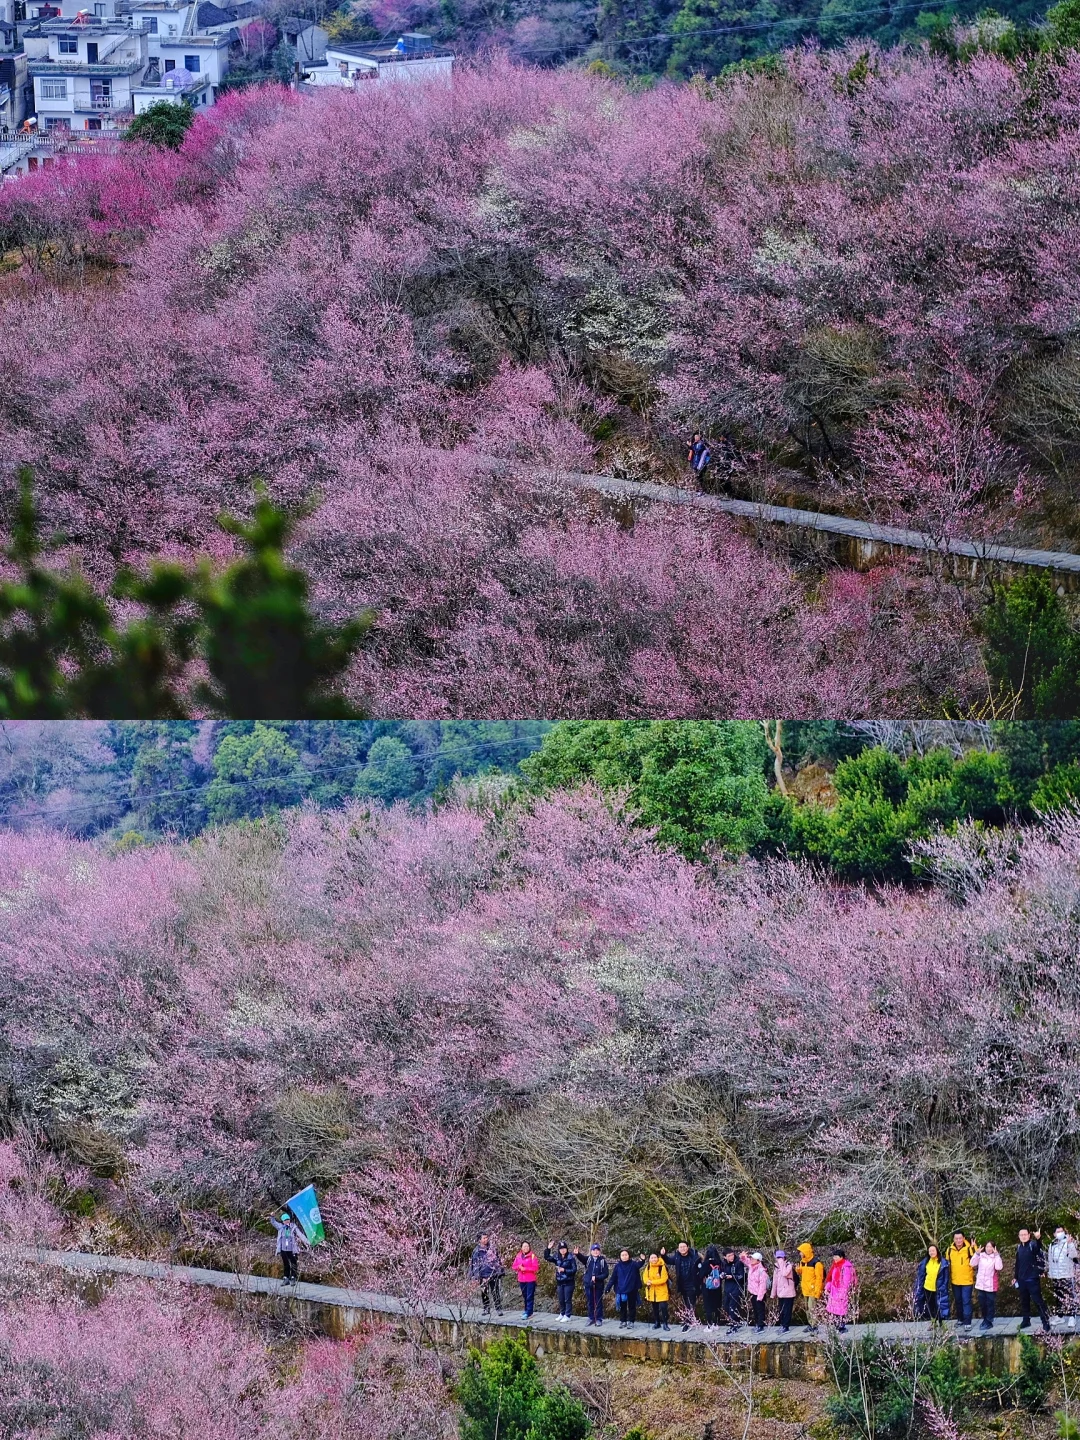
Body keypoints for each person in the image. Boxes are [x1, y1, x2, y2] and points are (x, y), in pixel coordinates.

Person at [1014, 1228, 1051, 1333]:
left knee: (1038, 1301)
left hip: (1032, 1279)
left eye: (1025, 1234)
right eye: (1021, 1235)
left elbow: (1039, 1250)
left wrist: (1039, 1239)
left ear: (1029, 1235)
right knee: (1024, 1301)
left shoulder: (1033, 1245)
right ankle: (1026, 1320)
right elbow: (1017, 1264)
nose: (1023, 1236)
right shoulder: (1019, 1247)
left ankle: (1045, 1322)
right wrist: (1015, 1277)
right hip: (1022, 1279)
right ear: (1019, 1236)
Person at [1047, 1226, 1079, 1327]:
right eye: (1058, 1231)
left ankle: (1072, 1317)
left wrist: (1070, 1244)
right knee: (1058, 1297)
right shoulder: (1052, 1244)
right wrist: (1050, 1273)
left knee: (1069, 1296)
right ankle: (1060, 1316)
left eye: (1062, 1231)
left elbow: (1074, 1255)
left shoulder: (1068, 1242)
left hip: (1067, 1274)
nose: (1060, 1233)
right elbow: (1050, 1260)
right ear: (1054, 1234)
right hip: (1056, 1275)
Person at [913, 1245, 950, 1325]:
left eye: (933, 1250)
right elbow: (921, 1275)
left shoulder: (943, 1262)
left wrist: (943, 1287)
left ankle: (941, 1323)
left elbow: (946, 1277)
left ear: (937, 1251)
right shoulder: (925, 1262)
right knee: (930, 1306)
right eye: (930, 1251)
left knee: (939, 1306)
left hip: (938, 1288)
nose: (932, 1252)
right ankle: (933, 1322)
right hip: (927, 1288)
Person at [270, 1210, 308, 1287]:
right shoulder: (281, 1227)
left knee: (293, 1263)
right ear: (283, 1221)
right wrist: (272, 1216)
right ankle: (286, 1278)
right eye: (285, 1220)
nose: (287, 1221)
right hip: (283, 1249)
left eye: (288, 1219)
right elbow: (273, 1222)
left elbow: (300, 1235)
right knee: (286, 1264)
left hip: (292, 1249)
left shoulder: (293, 1227)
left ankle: (293, 1277)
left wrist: (307, 1242)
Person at [469, 1233, 504, 1316]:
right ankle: (486, 1308)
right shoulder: (476, 1251)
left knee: (495, 1292)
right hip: (483, 1276)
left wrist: (499, 1271)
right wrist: (477, 1276)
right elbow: (475, 1264)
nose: (486, 1239)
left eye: (486, 1237)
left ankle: (498, 1308)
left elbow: (498, 1261)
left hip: (492, 1274)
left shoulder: (492, 1249)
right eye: (484, 1238)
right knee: (484, 1292)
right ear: (479, 1240)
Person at [947, 1233, 976, 1330]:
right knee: (958, 1301)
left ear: (964, 1238)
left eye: (960, 1238)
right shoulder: (950, 1250)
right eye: (956, 1238)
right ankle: (960, 1319)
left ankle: (967, 1322)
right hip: (955, 1280)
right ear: (953, 1239)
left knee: (966, 1301)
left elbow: (977, 1259)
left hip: (967, 1281)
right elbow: (947, 1263)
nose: (958, 1240)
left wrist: (974, 1247)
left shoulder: (969, 1248)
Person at [544, 1240, 579, 1321]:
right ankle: (562, 1313)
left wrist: (565, 1270)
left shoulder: (571, 1257)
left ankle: (567, 1315)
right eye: (561, 1249)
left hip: (569, 1282)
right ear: (559, 1250)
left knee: (567, 1299)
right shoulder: (557, 1257)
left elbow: (574, 1270)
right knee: (561, 1299)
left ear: (567, 1249)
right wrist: (548, 1249)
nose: (563, 1250)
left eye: (564, 1248)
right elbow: (547, 1257)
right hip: (560, 1282)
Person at [607, 1248, 642, 1328]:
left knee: (631, 1306)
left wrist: (642, 1259)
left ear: (629, 1255)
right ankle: (623, 1321)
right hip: (621, 1289)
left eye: (626, 1255)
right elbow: (613, 1278)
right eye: (622, 1255)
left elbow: (640, 1264)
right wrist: (608, 1287)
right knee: (623, 1307)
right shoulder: (617, 1266)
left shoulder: (633, 1264)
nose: (624, 1256)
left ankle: (631, 1321)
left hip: (632, 1289)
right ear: (620, 1256)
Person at [670, 1240, 701, 1331]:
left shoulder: (694, 1256)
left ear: (688, 1247)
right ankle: (690, 1319)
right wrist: (663, 1255)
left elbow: (701, 1267)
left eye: (684, 1246)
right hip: (682, 1284)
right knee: (686, 1303)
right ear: (678, 1249)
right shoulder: (677, 1257)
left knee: (690, 1303)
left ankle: (689, 1322)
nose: (682, 1248)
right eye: (680, 1247)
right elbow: (668, 1260)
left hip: (692, 1284)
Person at [973, 1241, 1003, 1330]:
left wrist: (997, 1255)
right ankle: (985, 1319)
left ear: (994, 1248)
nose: (988, 1249)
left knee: (990, 1303)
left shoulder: (995, 1257)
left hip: (990, 1285)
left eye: (991, 1247)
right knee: (982, 1303)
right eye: (987, 1247)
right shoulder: (981, 1256)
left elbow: (999, 1267)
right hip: (981, 1284)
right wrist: (976, 1254)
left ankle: (989, 1321)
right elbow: (972, 1263)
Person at [577, 1243, 609, 1326]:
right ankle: (591, 1318)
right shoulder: (588, 1260)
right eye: (594, 1250)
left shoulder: (602, 1261)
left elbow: (606, 1274)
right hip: (588, 1285)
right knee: (590, 1302)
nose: (595, 1251)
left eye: (597, 1250)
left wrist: (597, 1278)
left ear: (599, 1252)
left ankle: (598, 1318)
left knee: (598, 1302)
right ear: (591, 1251)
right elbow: (581, 1258)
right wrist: (577, 1253)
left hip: (598, 1285)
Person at [824, 1250, 855, 1333]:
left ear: (841, 1257)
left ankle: (841, 1326)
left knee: (841, 1309)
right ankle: (836, 1325)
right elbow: (831, 1278)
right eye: (833, 1256)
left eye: (836, 1256)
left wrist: (843, 1292)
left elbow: (846, 1281)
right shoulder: (835, 1266)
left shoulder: (845, 1267)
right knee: (834, 1310)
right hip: (834, 1290)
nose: (834, 1258)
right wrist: (827, 1288)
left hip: (841, 1291)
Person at [796, 1242, 825, 1332]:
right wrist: (798, 1270)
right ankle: (810, 1324)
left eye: (801, 1251)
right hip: (805, 1289)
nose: (800, 1253)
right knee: (807, 1308)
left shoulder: (816, 1263)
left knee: (812, 1308)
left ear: (806, 1251)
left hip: (813, 1290)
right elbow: (802, 1273)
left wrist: (817, 1291)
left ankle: (814, 1325)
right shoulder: (803, 1262)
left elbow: (819, 1278)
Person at [720, 1246, 747, 1333]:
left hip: (736, 1287)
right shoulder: (723, 1263)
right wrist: (722, 1276)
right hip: (727, 1288)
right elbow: (722, 1272)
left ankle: (734, 1324)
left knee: (733, 1307)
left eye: (732, 1255)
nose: (731, 1257)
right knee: (726, 1306)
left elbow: (742, 1276)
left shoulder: (738, 1263)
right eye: (729, 1256)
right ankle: (736, 1321)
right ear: (725, 1257)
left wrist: (732, 1277)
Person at [641, 1251, 670, 1331]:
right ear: (649, 1259)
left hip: (661, 1290)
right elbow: (645, 1277)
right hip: (652, 1291)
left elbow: (664, 1279)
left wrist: (652, 1282)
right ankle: (657, 1322)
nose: (653, 1259)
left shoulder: (662, 1266)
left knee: (663, 1307)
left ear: (658, 1258)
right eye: (651, 1258)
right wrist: (647, 1281)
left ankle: (665, 1323)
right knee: (655, 1308)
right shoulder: (648, 1267)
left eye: (655, 1257)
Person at [743, 1251, 770, 1332]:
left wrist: (760, 1297)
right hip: (753, 1293)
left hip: (759, 1294)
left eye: (753, 1259)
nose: (751, 1259)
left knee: (760, 1310)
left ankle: (761, 1325)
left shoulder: (761, 1271)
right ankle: (757, 1324)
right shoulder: (752, 1267)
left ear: (758, 1261)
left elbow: (762, 1285)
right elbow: (745, 1260)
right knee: (755, 1310)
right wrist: (744, 1256)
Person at [512, 1242, 540, 1319]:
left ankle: (529, 1312)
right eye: (524, 1246)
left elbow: (535, 1268)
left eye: (527, 1246)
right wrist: (519, 1267)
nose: (526, 1248)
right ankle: (526, 1310)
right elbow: (514, 1266)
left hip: (530, 1279)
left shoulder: (533, 1256)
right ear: (521, 1247)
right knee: (525, 1296)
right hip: (521, 1279)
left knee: (529, 1296)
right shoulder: (518, 1256)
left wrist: (526, 1269)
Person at [772, 1249, 796, 1332]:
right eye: (777, 1257)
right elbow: (775, 1281)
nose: (778, 1259)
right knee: (781, 1310)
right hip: (780, 1292)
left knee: (787, 1310)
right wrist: (773, 1293)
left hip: (788, 1292)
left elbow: (785, 1274)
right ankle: (782, 1325)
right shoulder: (776, 1267)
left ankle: (786, 1326)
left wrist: (781, 1263)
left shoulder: (788, 1265)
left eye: (780, 1257)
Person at [701, 1246, 724, 1329]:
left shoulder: (705, 1263)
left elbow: (701, 1275)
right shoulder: (719, 1262)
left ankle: (709, 1325)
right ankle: (716, 1323)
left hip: (707, 1288)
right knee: (717, 1305)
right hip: (717, 1287)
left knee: (708, 1306)